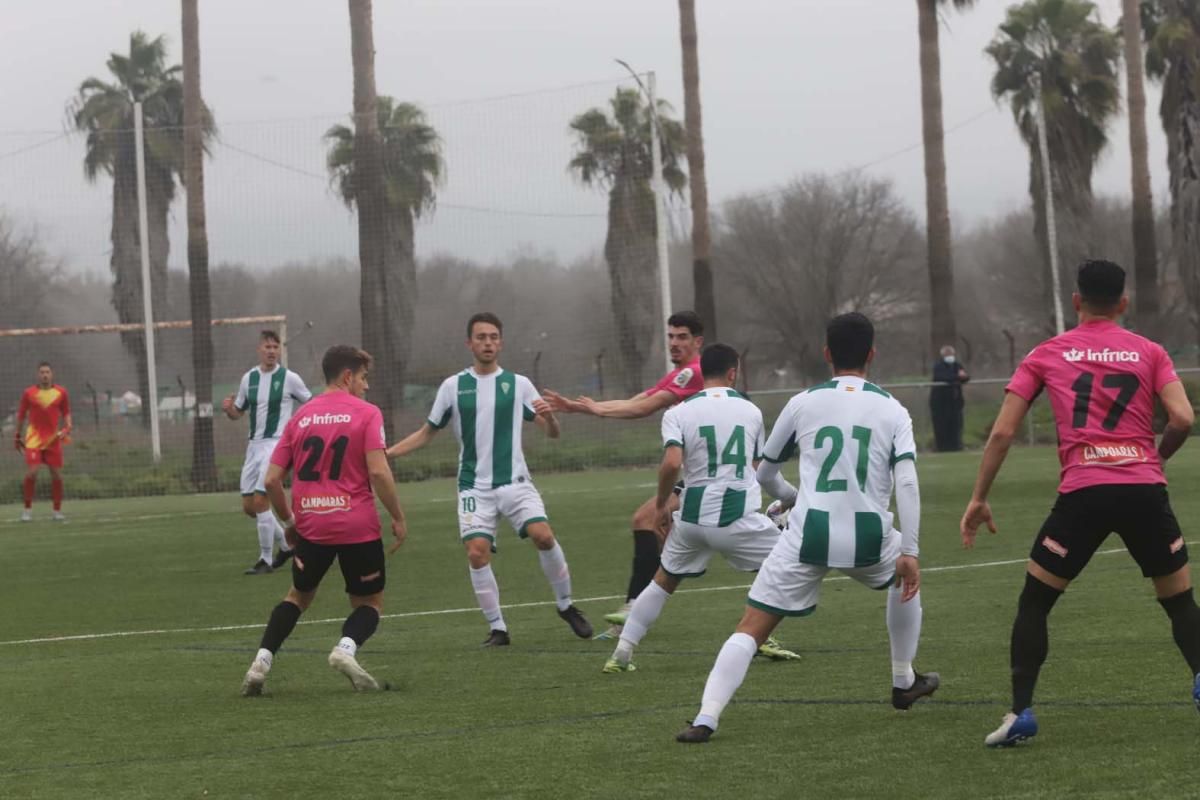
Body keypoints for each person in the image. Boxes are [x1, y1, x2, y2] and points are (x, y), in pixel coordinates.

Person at [960, 259, 1200, 748]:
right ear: (1124, 303)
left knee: (1036, 601)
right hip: (1142, 490)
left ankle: (1021, 712)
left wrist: (979, 497)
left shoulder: (1047, 353)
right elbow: (1182, 417)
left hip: (1084, 493)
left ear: (1076, 301)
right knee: (1178, 601)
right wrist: (1154, 458)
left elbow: (1004, 430)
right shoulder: (1149, 351)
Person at [676, 312, 936, 744]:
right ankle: (903, 679)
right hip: (871, 535)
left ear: (827, 354)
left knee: (752, 626)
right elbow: (906, 481)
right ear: (872, 354)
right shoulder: (893, 408)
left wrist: (794, 496)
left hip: (807, 533)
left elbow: (764, 476)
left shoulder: (802, 402)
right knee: (904, 581)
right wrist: (909, 550)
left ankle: (706, 718)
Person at [388, 312, 592, 646]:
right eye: (481, 337)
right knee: (477, 553)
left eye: (493, 337)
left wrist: (551, 418)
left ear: (501, 342)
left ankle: (566, 605)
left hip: (515, 482)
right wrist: (389, 454)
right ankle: (498, 628)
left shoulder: (519, 384)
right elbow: (427, 432)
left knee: (543, 536)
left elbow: (552, 433)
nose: (488, 343)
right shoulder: (453, 387)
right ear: (470, 343)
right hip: (474, 485)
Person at [602, 343, 799, 674]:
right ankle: (758, 635)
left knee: (663, 582)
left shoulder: (677, 412)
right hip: (736, 518)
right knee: (788, 561)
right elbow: (760, 472)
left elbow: (671, 463)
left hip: (691, 521)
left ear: (701, 373)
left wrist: (663, 503)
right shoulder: (750, 411)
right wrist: (792, 498)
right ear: (733, 373)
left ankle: (621, 653)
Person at [240, 345, 406, 696]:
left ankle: (261, 663)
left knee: (297, 597)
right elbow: (378, 472)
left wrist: (289, 521)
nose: (366, 386)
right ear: (347, 376)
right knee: (369, 603)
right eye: (363, 378)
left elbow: (271, 480)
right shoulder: (367, 413)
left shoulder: (299, 418)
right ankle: (345, 649)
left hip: (312, 526)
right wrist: (397, 516)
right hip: (357, 526)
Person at [544, 310, 707, 641]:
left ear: (697, 342)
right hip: (698, 475)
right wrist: (584, 408)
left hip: (708, 477)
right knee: (651, 526)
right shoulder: (679, 375)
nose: (674, 343)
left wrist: (594, 410)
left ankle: (634, 613)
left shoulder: (692, 374)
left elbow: (643, 409)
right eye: (671, 336)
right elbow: (639, 400)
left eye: (682, 337)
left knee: (651, 523)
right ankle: (634, 614)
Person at [222, 330, 312, 575]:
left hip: (277, 445)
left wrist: (300, 431)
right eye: (267, 346)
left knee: (262, 501)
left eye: (275, 346)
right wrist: (229, 409)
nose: (272, 351)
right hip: (254, 447)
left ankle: (266, 560)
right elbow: (238, 412)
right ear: (259, 350)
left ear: (279, 350)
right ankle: (287, 544)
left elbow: (311, 404)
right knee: (250, 507)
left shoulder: (290, 378)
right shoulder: (248, 379)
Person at [14, 362, 72, 522]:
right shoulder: (29, 393)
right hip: (34, 439)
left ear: (52, 374)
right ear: (37, 375)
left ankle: (57, 511)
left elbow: (66, 413)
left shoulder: (61, 392)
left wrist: (68, 426)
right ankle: (27, 510)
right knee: (32, 472)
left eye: (47, 372)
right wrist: (17, 435)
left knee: (57, 475)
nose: (45, 375)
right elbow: (21, 415)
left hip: (53, 440)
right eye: (42, 372)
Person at [929, 345, 969, 452]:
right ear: (943, 355)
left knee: (956, 424)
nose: (949, 356)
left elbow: (965, 377)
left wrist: (963, 377)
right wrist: (957, 377)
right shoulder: (938, 366)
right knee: (941, 425)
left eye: (951, 354)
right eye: (947, 354)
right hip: (940, 403)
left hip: (955, 402)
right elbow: (942, 377)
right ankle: (942, 447)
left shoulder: (957, 365)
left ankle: (956, 446)